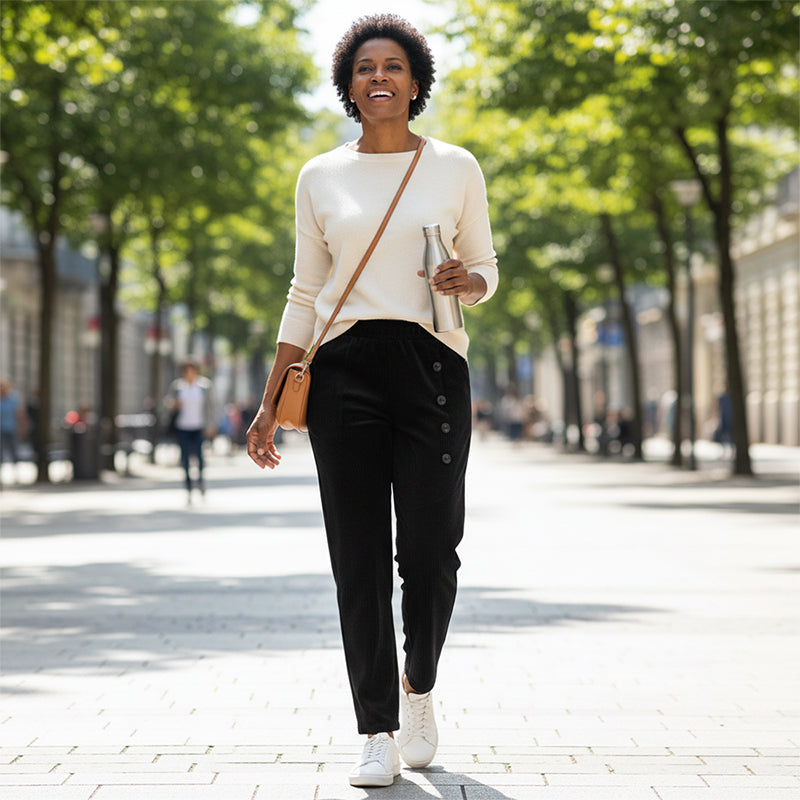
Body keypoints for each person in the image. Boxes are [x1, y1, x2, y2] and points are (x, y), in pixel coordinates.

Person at [246, 14, 498, 789]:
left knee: (431, 552)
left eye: (392, 65)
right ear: (349, 87)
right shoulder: (320, 176)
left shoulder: (455, 166)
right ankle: (376, 729)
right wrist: (269, 401)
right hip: (343, 371)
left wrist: (468, 282)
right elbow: (305, 291)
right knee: (356, 558)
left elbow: (485, 268)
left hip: (432, 365)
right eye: (364, 68)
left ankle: (419, 683)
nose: (378, 76)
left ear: (416, 82)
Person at [165, 358, 217, 503]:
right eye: (186, 371)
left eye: (191, 370)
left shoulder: (204, 386)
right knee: (185, 458)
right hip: (182, 426)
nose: (189, 373)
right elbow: (168, 404)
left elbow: (212, 406)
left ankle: (200, 482)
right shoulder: (177, 387)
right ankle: (188, 487)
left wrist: (211, 425)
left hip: (199, 426)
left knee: (199, 457)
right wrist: (173, 404)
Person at [0, 377, 27, 483]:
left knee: (14, 451)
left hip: (12, 429)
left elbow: (19, 414)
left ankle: (16, 475)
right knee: (1, 453)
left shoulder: (13, 399)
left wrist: (21, 428)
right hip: (1, 430)